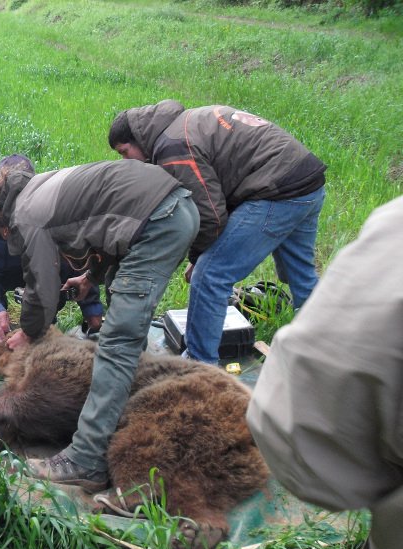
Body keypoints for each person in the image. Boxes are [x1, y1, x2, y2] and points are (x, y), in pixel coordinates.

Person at [0, 160, 198, 490]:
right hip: (177, 210)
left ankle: (86, 458)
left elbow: (41, 286)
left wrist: (31, 330)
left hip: (158, 222)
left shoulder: (26, 215)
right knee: (127, 326)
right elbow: (111, 227)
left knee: (116, 345)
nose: (3, 236)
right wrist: (91, 277)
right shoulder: (44, 187)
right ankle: (126, 406)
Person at [247, 196, 403, 549]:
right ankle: (303, 302)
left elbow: (293, 423)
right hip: (302, 184)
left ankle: (204, 355)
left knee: (212, 273)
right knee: (300, 269)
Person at [109, 101, 326, 364]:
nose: (125, 160)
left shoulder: (173, 147)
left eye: (124, 151)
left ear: (138, 139)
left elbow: (210, 214)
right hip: (306, 182)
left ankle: (199, 366)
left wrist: (198, 257)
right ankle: (326, 349)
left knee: (210, 276)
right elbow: (223, 185)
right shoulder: (186, 123)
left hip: (278, 191)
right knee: (301, 276)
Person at [0, 154, 104, 342]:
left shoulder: (47, 207)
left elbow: (74, 258)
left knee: (51, 283)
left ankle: (42, 325)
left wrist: (92, 309)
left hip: (35, 264)